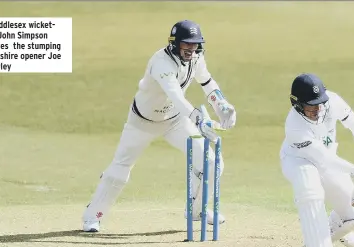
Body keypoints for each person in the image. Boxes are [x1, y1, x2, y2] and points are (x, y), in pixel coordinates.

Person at [81, 20, 237, 232]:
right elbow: (174, 93)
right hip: (142, 122)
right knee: (119, 171)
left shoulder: (196, 58)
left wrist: (222, 106)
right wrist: (198, 118)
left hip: (175, 120)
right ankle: (92, 216)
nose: (191, 49)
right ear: (174, 43)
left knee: (212, 162)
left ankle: (196, 210)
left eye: (195, 44)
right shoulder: (161, 62)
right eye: (186, 44)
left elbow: (207, 82)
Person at [279, 73, 354, 247]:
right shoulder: (294, 126)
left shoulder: (331, 101)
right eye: (311, 105)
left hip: (330, 161)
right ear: (297, 104)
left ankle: (327, 230)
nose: (317, 109)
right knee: (311, 190)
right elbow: (323, 159)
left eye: (319, 103)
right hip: (298, 160)